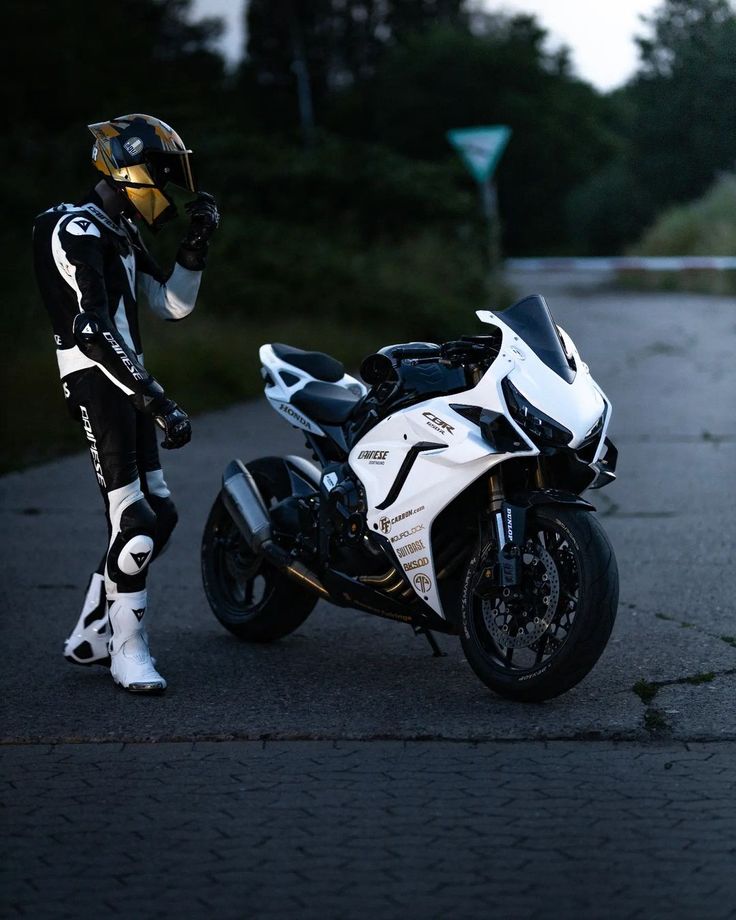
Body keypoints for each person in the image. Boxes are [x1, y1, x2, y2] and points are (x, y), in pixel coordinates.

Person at [32, 113, 219, 693]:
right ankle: (128, 652)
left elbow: (171, 306)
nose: (168, 193)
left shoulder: (120, 232)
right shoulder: (74, 228)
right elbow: (90, 328)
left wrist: (197, 244)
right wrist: (156, 399)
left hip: (130, 381)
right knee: (134, 521)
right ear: (133, 171)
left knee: (158, 515)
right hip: (97, 381)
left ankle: (93, 631)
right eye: (163, 179)